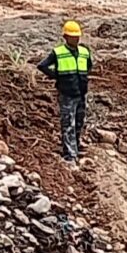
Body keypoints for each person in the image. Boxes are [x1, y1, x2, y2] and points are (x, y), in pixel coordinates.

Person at [34, 20, 93, 162]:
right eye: (72, 36)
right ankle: (70, 154)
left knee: (79, 121)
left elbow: (89, 66)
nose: (75, 39)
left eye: (77, 36)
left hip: (81, 92)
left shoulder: (84, 52)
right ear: (65, 37)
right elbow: (42, 66)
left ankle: (76, 146)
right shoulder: (58, 52)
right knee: (68, 124)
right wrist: (58, 76)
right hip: (67, 94)